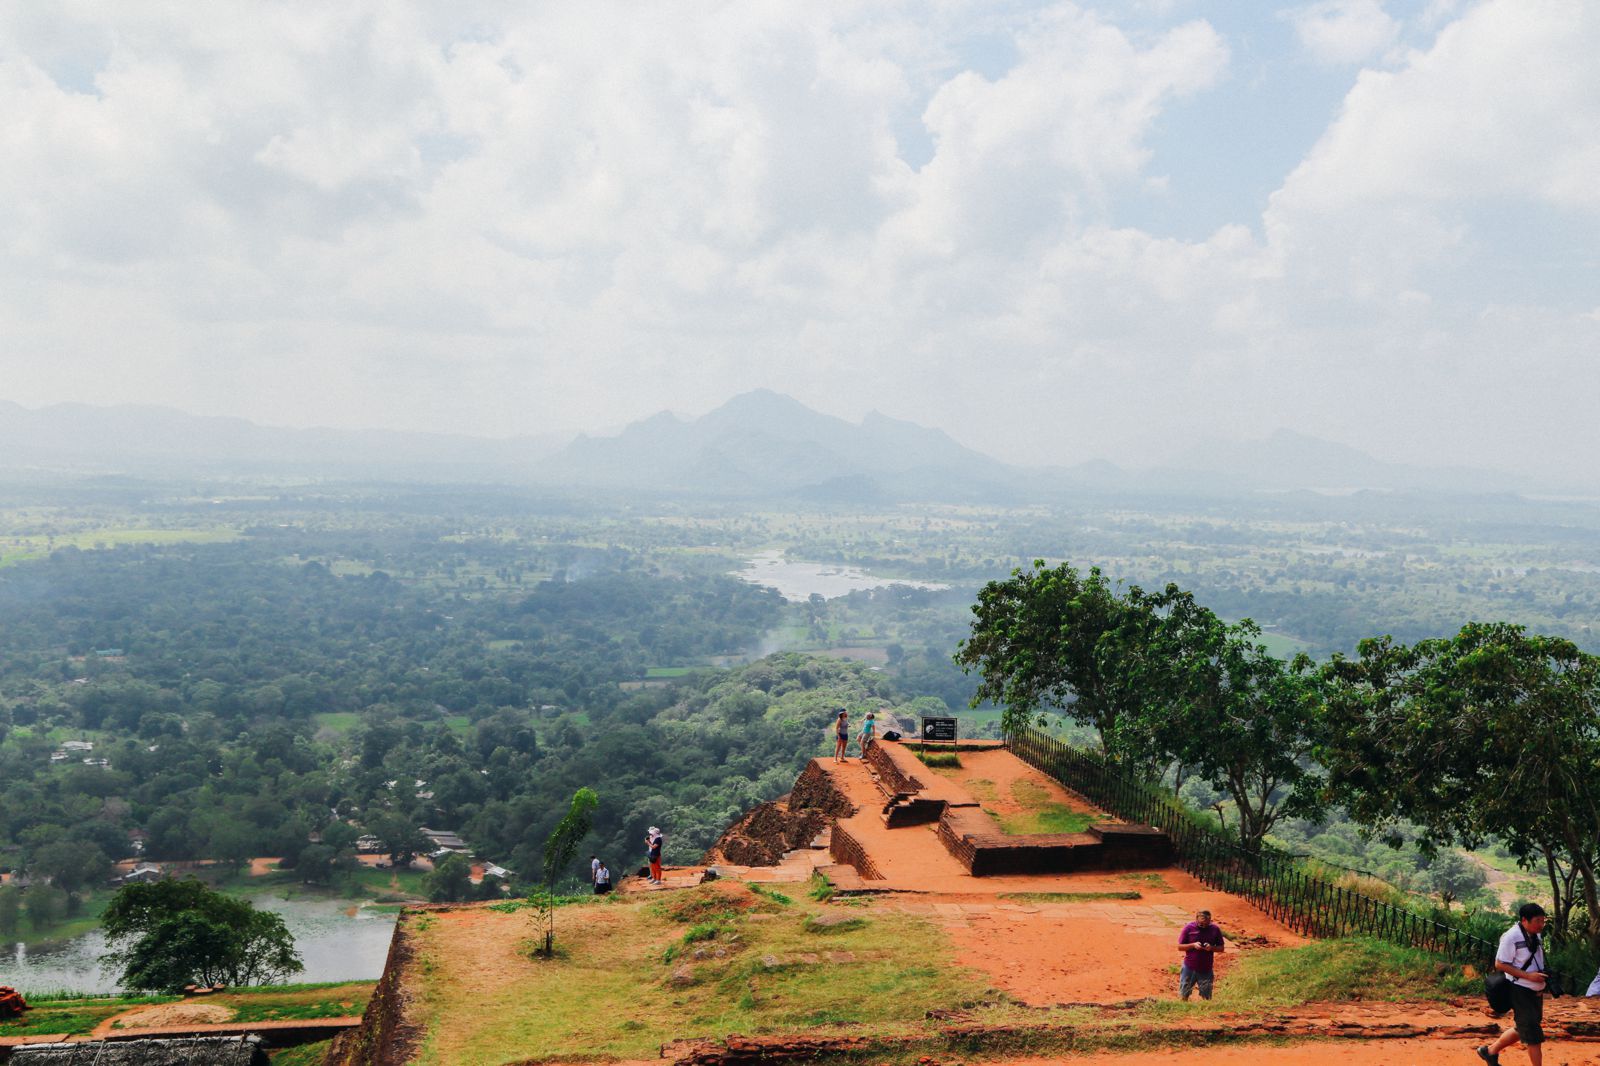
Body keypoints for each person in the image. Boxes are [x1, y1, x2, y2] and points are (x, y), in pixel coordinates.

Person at [1480, 902, 1550, 1066]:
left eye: (1543, 921)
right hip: (1520, 989)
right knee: (1533, 1034)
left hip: (1534, 990)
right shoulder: (1511, 937)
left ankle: (1489, 1052)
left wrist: (1541, 983)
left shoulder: (1534, 935)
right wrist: (1528, 976)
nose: (1541, 925)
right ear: (1524, 920)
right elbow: (1500, 964)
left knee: (1523, 1028)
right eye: (1538, 921)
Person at [1177, 909, 1225, 1000]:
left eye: (1206, 924)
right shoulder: (1188, 928)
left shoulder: (1215, 929)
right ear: (1196, 919)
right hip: (1189, 967)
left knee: (1206, 997)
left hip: (1206, 968)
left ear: (1210, 920)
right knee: (1183, 994)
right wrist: (1193, 945)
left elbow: (1221, 948)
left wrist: (1211, 947)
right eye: (1201, 924)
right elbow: (1179, 947)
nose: (1203, 926)